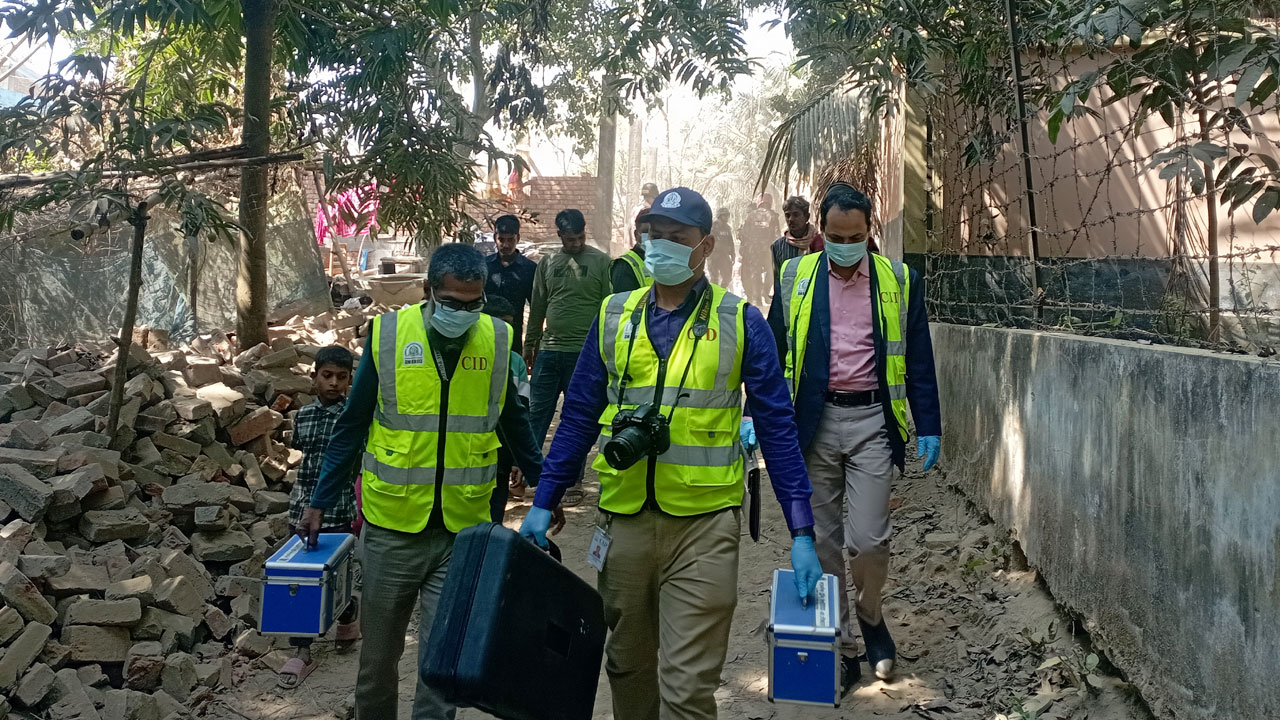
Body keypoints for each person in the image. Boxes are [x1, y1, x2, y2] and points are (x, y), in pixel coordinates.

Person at [520, 187, 824, 720]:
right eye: (653, 236)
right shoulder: (615, 316)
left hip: (705, 528)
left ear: (704, 247)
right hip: (623, 521)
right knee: (627, 668)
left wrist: (801, 532)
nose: (659, 247)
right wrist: (545, 500)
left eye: (675, 238)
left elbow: (777, 427)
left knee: (687, 690)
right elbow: (580, 414)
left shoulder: (740, 322)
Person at [301, 243, 555, 720]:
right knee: (377, 662)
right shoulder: (389, 336)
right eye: (452, 302)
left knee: (443, 665)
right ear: (428, 291)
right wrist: (319, 500)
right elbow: (352, 426)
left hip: (462, 530)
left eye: (473, 303)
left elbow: (514, 423)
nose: (463, 313)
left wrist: (545, 488)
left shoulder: (498, 340)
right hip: (392, 527)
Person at [770, 183, 942, 694]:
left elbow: (919, 357)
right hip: (813, 423)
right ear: (821, 232)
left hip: (872, 421)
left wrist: (928, 423)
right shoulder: (794, 276)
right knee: (821, 545)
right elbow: (774, 349)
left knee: (868, 541)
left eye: (857, 236)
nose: (846, 246)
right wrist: (759, 414)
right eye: (836, 236)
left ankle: (870, 616)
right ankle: (841, 647)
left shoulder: (899, 280)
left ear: (872, 233)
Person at [279, 345, 361, 690]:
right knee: (303, 578)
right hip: (301, 507)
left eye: (341, 377)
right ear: (313, 378)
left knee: (335, 576)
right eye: (327, 375)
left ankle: (348, 613)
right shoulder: (304, 416)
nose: (334, 383)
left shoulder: (354, 417)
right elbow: (301, 456)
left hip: (340, 509)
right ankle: (302, 649)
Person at [525, 209, 613, 505]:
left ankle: (572, 481)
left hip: (584, 354)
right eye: (569, 238)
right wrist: (530, 342)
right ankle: (531, 475)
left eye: (580, 237)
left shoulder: (601, 262)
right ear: (559, 236)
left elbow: (608, 307)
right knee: (537, 413)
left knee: (576, 416)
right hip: (549, 351)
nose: (575, 243)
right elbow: (538, 304)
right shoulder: (548, 263)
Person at [483, 295, 533, 515]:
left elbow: (521, 413)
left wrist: (517, 460)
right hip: (468, 456)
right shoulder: (464, 356)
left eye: (509, 325)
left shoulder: (515, 362)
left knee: (494, 517)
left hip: (501, 457)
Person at [484, 214, 538, 353]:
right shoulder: (484, 266)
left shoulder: (529, 269)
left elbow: (536, 307)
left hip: (513, 336)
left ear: (518, 238)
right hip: (484, 333)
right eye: (501, 239)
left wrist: (532, 343)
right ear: (495, 238)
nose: (506, 245)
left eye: (510, 240)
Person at [738, 193, 780, 307]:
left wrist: (744, 249)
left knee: (755, 273)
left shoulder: (751, 216)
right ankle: (765, 293)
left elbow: (744, 234)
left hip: (753, 251)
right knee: (771, 272)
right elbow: (777, 235)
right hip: (768, 250)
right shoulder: (773, 216)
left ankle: (757, 299)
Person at [772, 195, 825, 278]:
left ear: (806, 217)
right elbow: (778, 280)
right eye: (787, 215)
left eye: (796, 215)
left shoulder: (820, 242)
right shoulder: (778, 247)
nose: (791, 219)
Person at [611, 208, 652, 293]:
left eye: (654, 232)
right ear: (636, 234)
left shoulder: (662, 260)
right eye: (646, 232)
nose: (650, 236)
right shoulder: (624, 265)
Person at [708, 207, 736, 290]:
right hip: (713, 256)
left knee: (727, 277)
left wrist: (733, 255)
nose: (727, 218)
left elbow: (731, 242)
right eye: (725, 216)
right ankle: (715, 297)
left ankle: (721, 291)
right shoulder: (713, 226)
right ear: (720, 216)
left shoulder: (727, 228)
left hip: (724, 256)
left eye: (727, 216)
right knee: (714, 279)